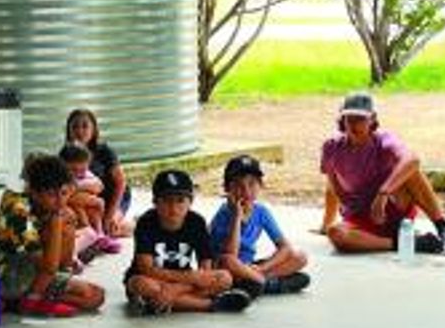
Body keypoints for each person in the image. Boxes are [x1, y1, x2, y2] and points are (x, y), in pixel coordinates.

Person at [319, 92, 445, 256]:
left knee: (411, 171)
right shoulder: (332, 147)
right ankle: (408, 243)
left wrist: (383, 193)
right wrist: (326, 223)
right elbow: (332, 186)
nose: (354, 124)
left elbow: (412, 159)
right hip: (360, 217)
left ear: (372, 119)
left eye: (360, 119)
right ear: (342, 120)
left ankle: (444, 231)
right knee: (336, 234)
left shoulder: (384, 140)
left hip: (393, 207)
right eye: (349, 118)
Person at [0, 154, 105, 317]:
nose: (60, 201)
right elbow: (49, 269)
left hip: (34, 270)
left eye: (64, 193)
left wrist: (65, 225)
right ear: (35, 193)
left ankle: (26, 302)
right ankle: (31, 301)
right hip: (4, 277)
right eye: (52, 195)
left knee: (95, 296)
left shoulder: (51, 207)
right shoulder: (19, 211)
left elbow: (63, 264)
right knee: (59, 226)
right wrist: (56, 224)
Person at [124, 169, 252, 315]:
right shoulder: (145, 223)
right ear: (155, 202)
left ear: (191, 202)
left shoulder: (197, 222)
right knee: (139, 284)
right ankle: (209, 305)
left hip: (184, 283)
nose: (173, 208)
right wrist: (190, 278)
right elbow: (146, 268)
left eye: (180, 200)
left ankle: (161, 303)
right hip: (153, 279)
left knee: (225, 278)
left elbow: (206, 268)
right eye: (166, 201)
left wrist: (176, 289)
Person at [209, 154, 310, 296]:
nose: (246, 191)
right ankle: (270, 284)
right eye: (238, 185)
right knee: (228, 260)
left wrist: (262, 268)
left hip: (250, 267)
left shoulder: (261, 212)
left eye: (252, 183)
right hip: (227, 269)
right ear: (227, 188)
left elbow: (285, 247)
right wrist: (237, 217)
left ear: (261, 185)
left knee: (300, 257)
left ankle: (257, 282)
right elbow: (231, 254)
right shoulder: (224, 213)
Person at [62, 108, 132, 238]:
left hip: (114, 197)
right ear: (69, 130)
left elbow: (121, 182)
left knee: (109, 228)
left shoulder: (104, 151)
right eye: (75, 126)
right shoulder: (65, 154)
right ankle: (94, 236)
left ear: (93, 130)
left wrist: (110, 215)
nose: (80, 131)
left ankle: (134, 225)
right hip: (89, 200)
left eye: (85, 126)